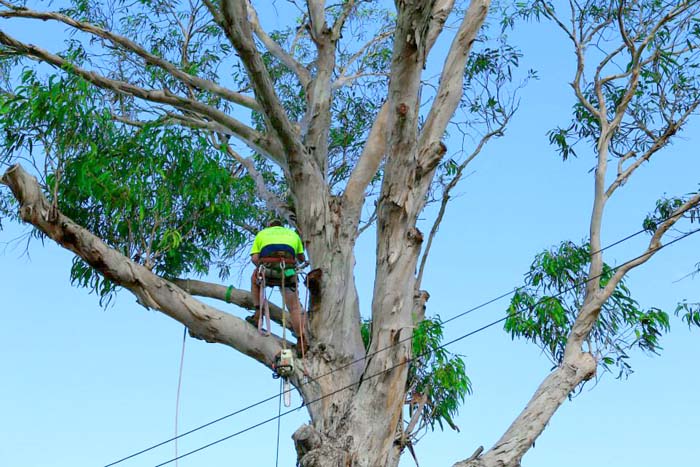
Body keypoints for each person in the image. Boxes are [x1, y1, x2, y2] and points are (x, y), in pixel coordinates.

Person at [250, 220, 306, 340]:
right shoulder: (293, 234)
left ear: (270, 226)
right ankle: (302, 340)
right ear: (282, 226)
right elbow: (301, 258)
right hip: (287, 274)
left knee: (254, 280)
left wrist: (260, 268)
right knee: (294, 308)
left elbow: (254, 258)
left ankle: (257, 313)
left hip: (268, 272)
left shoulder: (262, 233)